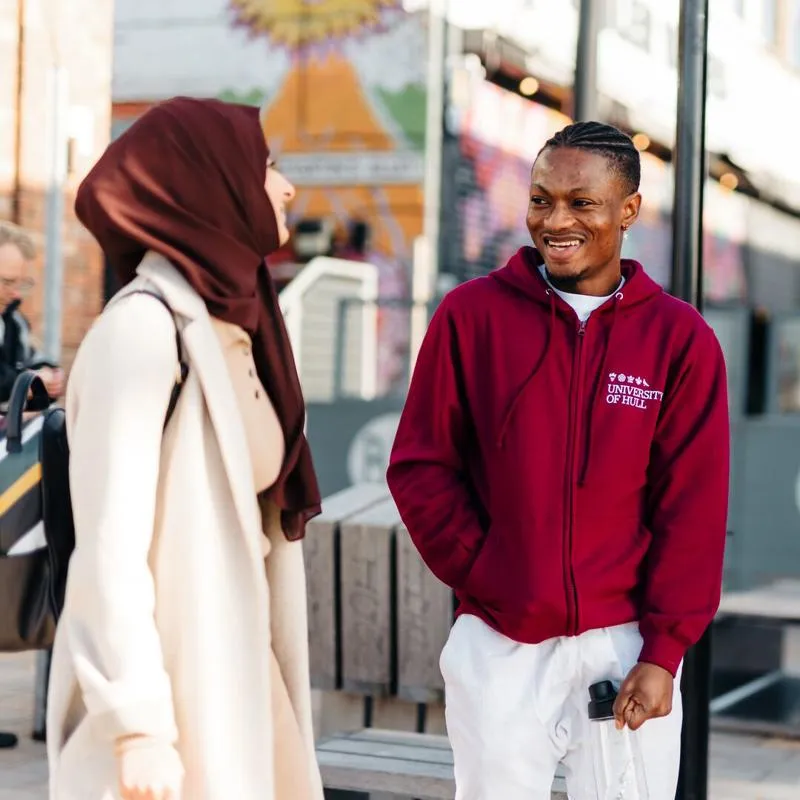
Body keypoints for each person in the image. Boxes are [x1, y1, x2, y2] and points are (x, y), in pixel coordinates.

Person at [387, 121, 729, 799]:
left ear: (628, 209)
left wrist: (663, 651)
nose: (556, 220)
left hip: (624, 643)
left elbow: (692, 508)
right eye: (541, 199)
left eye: (582, 202)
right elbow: (421, 466)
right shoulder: (470, 317)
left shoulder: (679, 340)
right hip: (500, 641)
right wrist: (489, 573)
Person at [45, 97, 324, 800]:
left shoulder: (243, 324)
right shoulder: (142, 330)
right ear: (211, 181)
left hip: (245, 677)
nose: (286, 187)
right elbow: (109, 550)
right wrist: (137, 725)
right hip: (173, 691)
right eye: (264, 166)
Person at [0, 222, 64, 403]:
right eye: (7, 282)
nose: (16, 293)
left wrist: (49, 376)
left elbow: (31, 361)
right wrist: (25, 385)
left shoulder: (15, 323)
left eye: (21, 283)